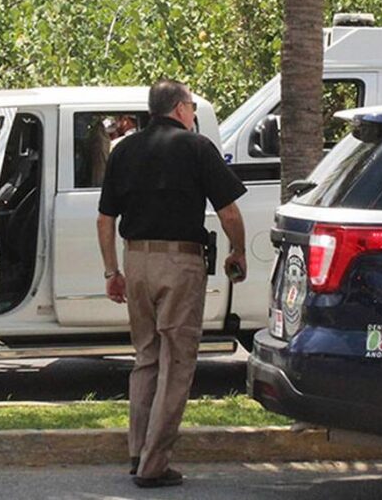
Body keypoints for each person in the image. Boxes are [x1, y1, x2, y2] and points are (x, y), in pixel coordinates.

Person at [96, 79, 247, 488]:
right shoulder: (197, 148)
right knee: (178, 363)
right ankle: (153, 464)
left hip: (136, 260)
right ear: (180, 108)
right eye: (192, 106)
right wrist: (239, 251)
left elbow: (105, 219)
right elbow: (229, 211)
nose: (193, 113)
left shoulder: (124, 149)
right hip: (180, 262)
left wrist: (113, 272)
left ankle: (136, 451)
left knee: (146, 357)